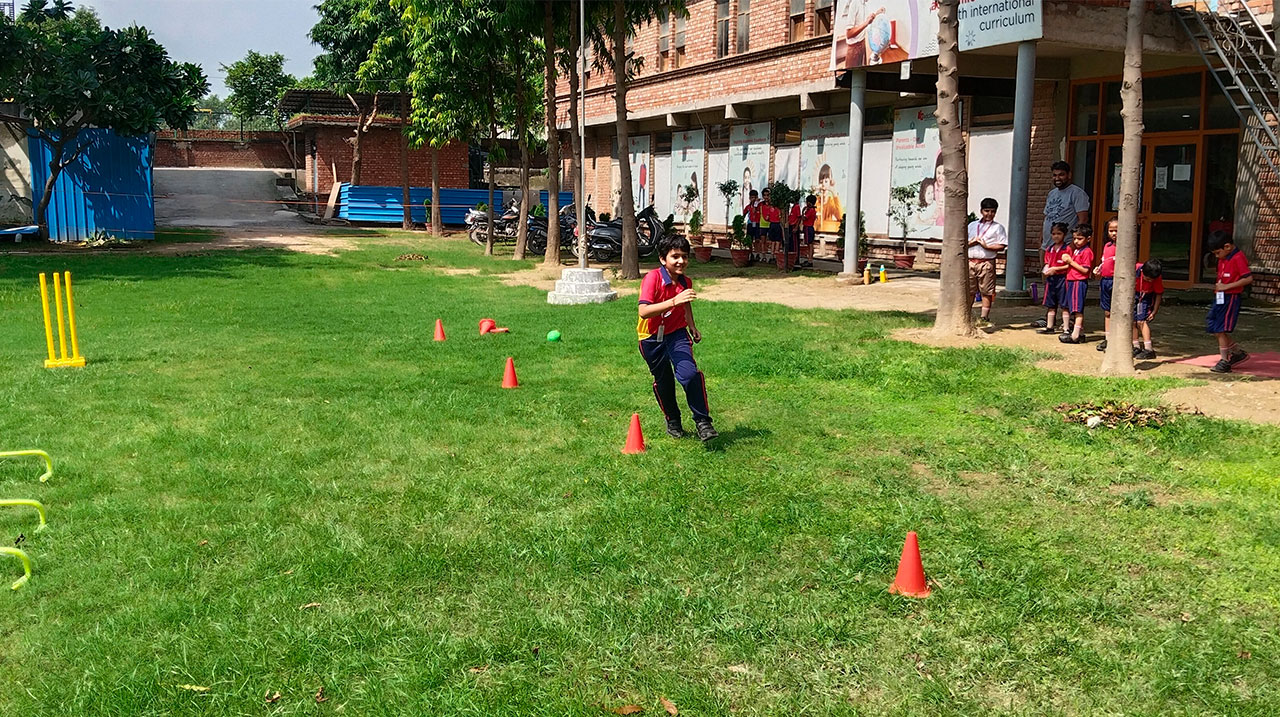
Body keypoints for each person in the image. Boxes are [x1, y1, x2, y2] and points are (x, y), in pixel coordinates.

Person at [637, 233, 717, 442]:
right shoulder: (652, 278)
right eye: (675, 256)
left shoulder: (685, 281)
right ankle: (673, 421)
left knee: (689, 373)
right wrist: (674, 301)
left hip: (677, 334)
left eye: (685, 256)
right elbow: (644, 311)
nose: (681, 261)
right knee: (663, 381)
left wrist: (692, 326)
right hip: (651, 337)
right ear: (663, 259)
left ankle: (703, 422)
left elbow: (686, 302)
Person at [1205, 230, 1253, 373]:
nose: (1216, 256)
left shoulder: (1238, 257)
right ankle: (1237, 352)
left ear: (1227, 247)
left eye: (1217, 252)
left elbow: (1248, 278)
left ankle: (1225, 361)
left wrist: (1227, 286)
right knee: (1213, 326)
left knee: (1220, 329)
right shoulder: (1223, 258)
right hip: (1220, 296)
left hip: (1230, 297)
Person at [966, 197, 1008, 329]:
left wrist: (987, 246)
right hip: (971, 261)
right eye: (986, 211)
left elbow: (1001, 245)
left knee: (987, 291)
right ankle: (967, 315)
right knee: (970, 290)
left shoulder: (998, 228)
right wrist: (972, 243)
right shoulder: (972, 225)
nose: (989, 214)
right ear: (981, 211)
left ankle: (984, 316)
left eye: (992, 211)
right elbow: (962, 242)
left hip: (986, 262)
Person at [1058, 224, 1095, 344]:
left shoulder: (1087, 252)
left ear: (1088, 239)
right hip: (1071, 280)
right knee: (1073, 307)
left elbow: (1085, 270)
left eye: (1080, 238)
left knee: (1077, 309)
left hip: (1078, 281)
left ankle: (1075, 335)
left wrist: (1070, 261)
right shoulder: (1077, 250)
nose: (1076, 241)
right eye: (1074, 238)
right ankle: (1080, 332)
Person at [1043, 161, 1090, 243]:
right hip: (1047, 245)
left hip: (1065, 244)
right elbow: (1046, 218)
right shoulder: (1052, 193)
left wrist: (1073, 243)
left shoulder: (1077, 193)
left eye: (1061, 175)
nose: (1057, 178)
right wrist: (1041, 239)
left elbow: (1083, 219)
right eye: (1054, 175)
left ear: (1069, 175)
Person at [1036, 222, 1071, 335]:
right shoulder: (1049, 249)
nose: (1056, 236)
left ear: (1064, 234)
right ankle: (1049, 327)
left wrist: (1056, 269)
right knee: (1051, 304)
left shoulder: (1067, 249)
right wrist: (1046, 269)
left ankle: (1066, 328)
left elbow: (1070, 265)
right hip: (1051, 280)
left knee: (1065, 305)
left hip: (1062, 279)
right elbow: (1047, 263)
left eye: (1059, 233)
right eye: (1053, 234)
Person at [1132, 259, 1164, 360]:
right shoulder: (1135, 269)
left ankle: (1149, 349)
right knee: (1132, 321)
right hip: (1134, 295)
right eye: (1147, 278)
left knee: (1141, 321)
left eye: (1151, 280)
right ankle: (1136, 346)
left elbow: (1159, 294)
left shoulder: (1156, 278)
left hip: (1145, 297)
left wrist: (1154, 311)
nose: (1149, 281)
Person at [1094, 218, 1118, 351]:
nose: (1114, 233)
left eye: (1116, 231)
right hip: (1105, 280)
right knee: (1107, 311)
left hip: (1116, 281)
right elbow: (1105, 261)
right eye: (1111, 230)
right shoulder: (1107, 246)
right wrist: (1099, 268)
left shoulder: (1123, 247)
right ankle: (1107, 338)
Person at [838, 1, 887, 69]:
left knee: (861, 71)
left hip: (862, 45)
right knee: (851, 74)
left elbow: (866, 20)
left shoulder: (865, 5)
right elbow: (849, 34)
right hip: (854, 49)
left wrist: (877, 13)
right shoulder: (854, 3)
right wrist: (866, 23)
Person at [817, 164, 844, 233]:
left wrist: (834, 193)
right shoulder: (816, 201)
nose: (823, 185)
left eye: (826, 181)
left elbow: (840, 217)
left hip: (828, 232)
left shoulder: (831, 202)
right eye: (821, 182)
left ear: (830, 182)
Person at [761, 189, 785, 266]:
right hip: (773, 224)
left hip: (775, 224)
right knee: (773, 241)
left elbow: (779, 217)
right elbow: (767, 217)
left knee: (776, 241)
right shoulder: (771, 207)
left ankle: (775, 255)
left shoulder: (776, 208)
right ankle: (773, 256)